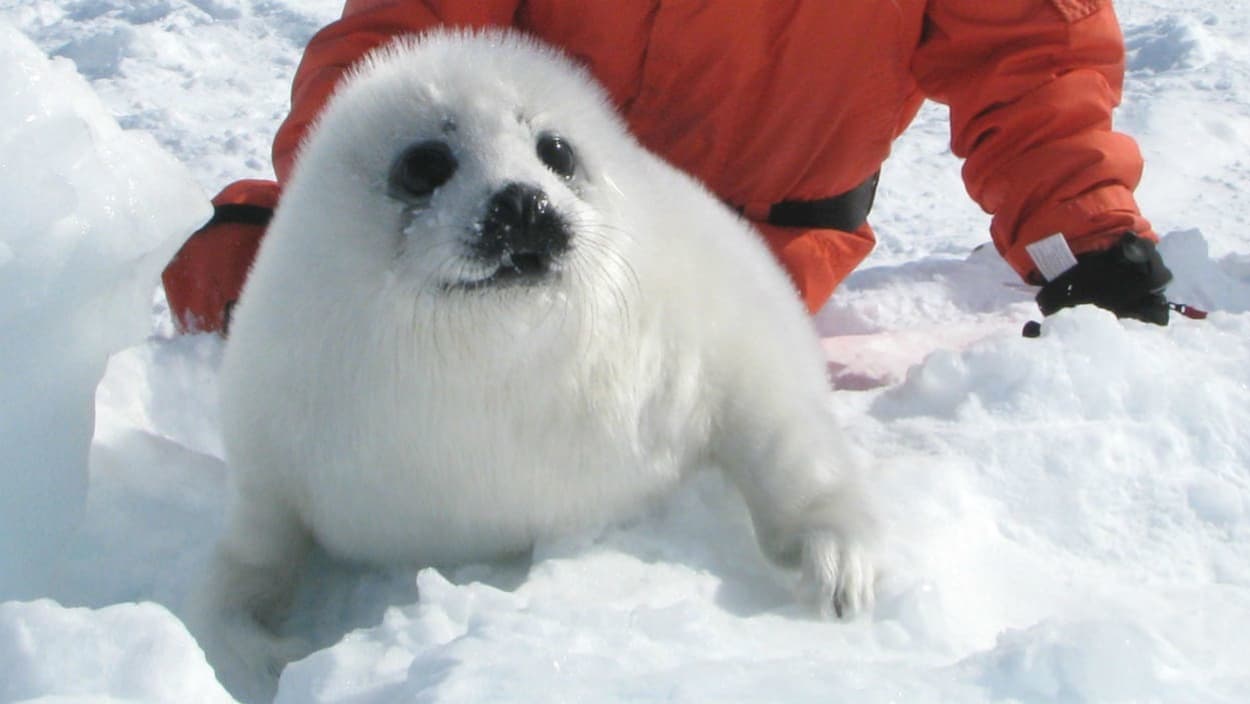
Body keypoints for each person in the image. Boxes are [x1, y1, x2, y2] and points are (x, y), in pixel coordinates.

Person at [161, 0, 1176, 336]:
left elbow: (1029, 64)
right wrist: (334, 209)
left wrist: (1089, 240)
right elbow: (410, 33)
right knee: (236, 279)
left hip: (734, 266)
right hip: (499, 229)